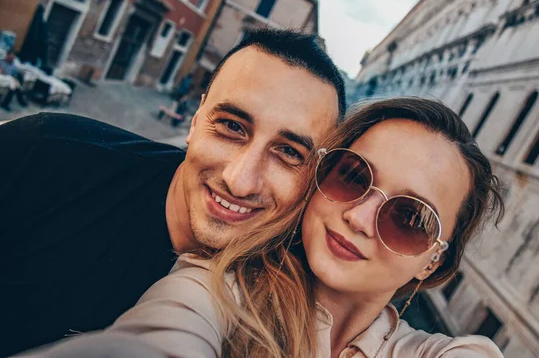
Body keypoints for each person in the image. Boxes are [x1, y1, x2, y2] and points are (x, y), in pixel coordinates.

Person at [26, 97, 505, 358]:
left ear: (434, 258)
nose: (358, 218)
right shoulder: (214, 290)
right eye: (352, 176)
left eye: (409, 219)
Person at [0, 29, 346, 356]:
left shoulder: (297, 293)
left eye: (288, 153)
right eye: (231, 126)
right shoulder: (44, 156)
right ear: (196, 119)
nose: (240, 181)